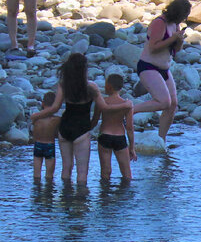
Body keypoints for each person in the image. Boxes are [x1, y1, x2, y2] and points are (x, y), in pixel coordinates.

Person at [30, 53, 129, 187]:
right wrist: (126, 105)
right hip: (81, 129)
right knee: (82, 173)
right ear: (84, 69)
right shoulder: (91, 86)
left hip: (65, 127)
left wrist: (37, 115)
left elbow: (54, 108)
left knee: (66, 168)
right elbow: (104, 108)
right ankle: (80, 203)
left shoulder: (64, 85)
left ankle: (66, 199)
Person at [132, 0, 189, 142]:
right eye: (183, 16)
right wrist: (172, 39)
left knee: (172, 104)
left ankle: (161, 139)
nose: (183, 19)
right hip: (148, 66)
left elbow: (175, 50)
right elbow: (153, 47)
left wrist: (179, 41)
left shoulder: (175, 25)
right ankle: (131, 110)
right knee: (164, 101)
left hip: (164, 68)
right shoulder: (159, 23)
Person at [95, 73, 136, 183]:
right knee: (127, 173)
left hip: (104, 136)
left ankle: (104, 197)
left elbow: (94, 120)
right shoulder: (127, 104)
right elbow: (130, 127)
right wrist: (132, 147)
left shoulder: (103, 101)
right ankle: (125, 198)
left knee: (105, 172)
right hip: (120, 137)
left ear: (108, 86)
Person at [31, 90, 60, 184]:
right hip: (49, 145)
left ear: (43, 103)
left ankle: (36, 191)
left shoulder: (36, 118)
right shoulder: (56, 119)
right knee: (49, 176)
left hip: (38, 145)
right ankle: (48, 193)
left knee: (36, 175)